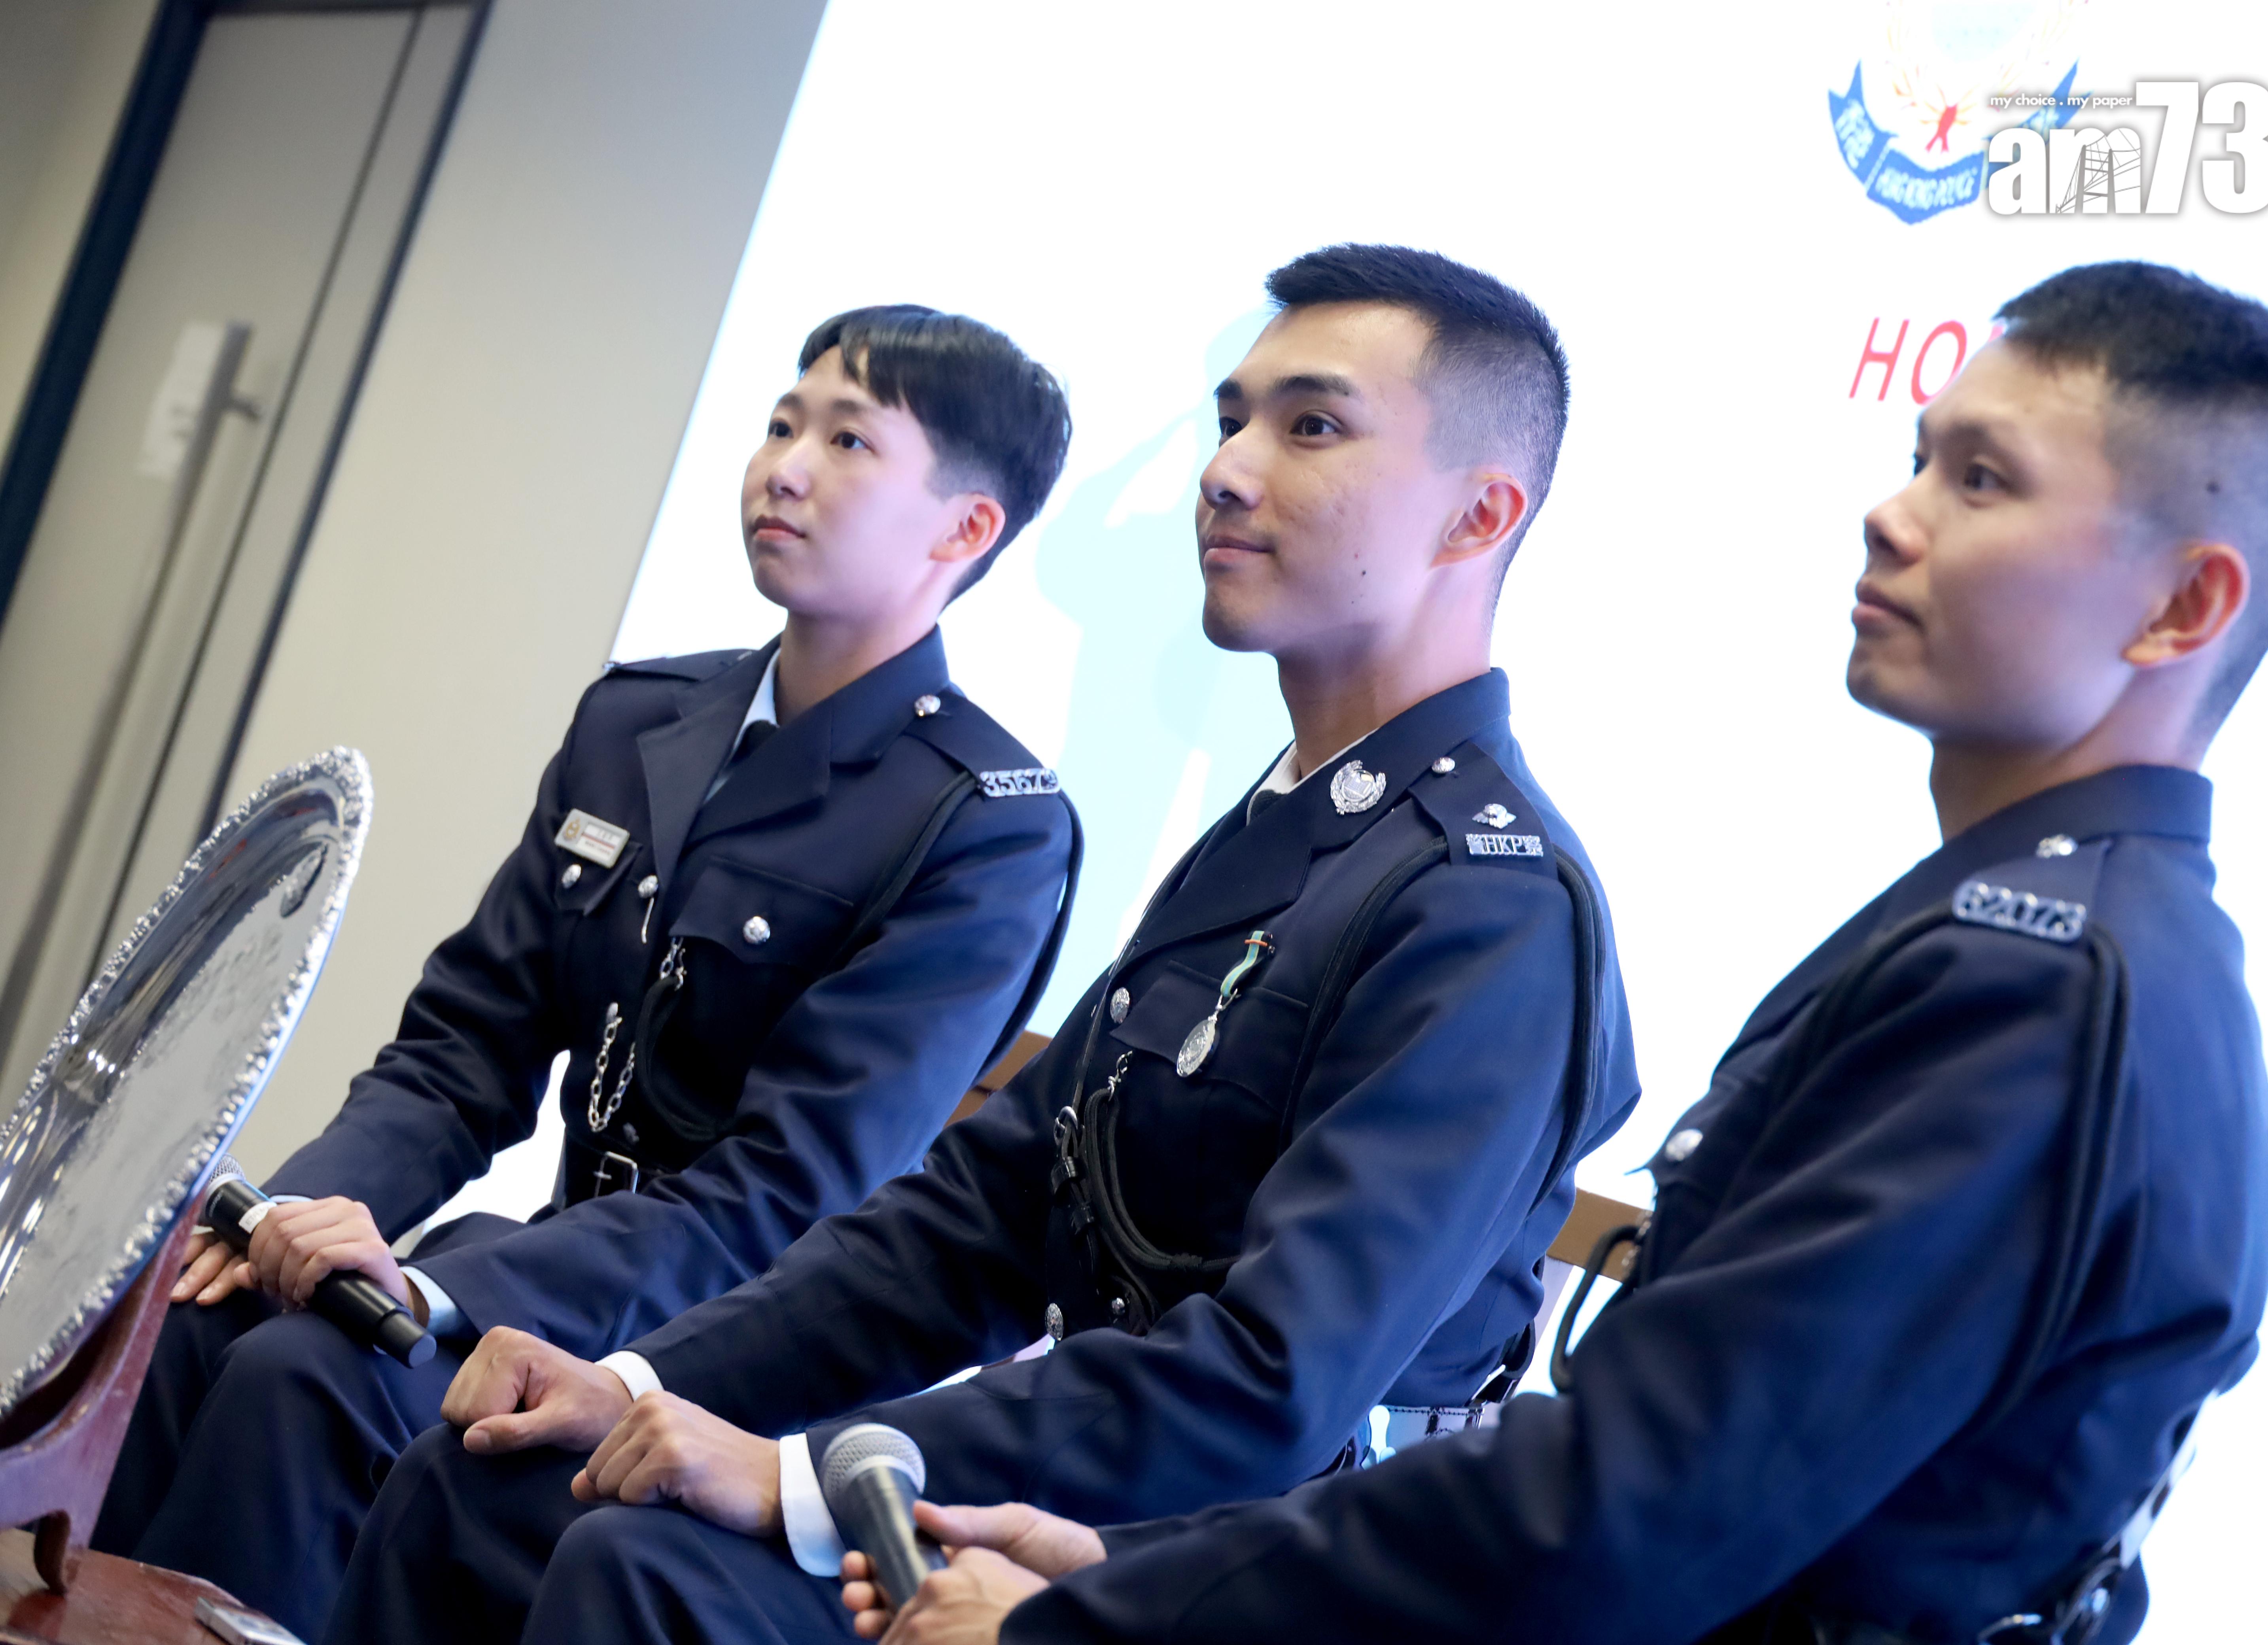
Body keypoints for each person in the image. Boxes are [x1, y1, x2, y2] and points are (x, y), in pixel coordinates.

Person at [840, 260, 2268, 1645]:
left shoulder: (2033, 985)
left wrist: (1083, 1627)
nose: (1893, 514)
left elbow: (1622, 1516)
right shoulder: (2058, 937)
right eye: (1921, 458)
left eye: (1984, 480)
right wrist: (1132, 1573)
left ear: (2183, 606)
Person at [320, 243, 1641, 1645]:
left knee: (647, 1570)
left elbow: (1267, 1384)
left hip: (1239, 1579)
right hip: (1090, 1501)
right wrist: (642, 1386)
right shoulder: (1284, 834)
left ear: (1478, 515)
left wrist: (796, 1474)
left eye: (1309, 426)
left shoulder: (1490, 909)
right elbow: (969, 1228)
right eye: (1230, 421)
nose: (1227, 471)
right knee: (490, 1485)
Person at [94, 304, 1082, 1640]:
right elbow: (462, 1051)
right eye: (781, 424)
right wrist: (299, 1217)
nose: (784, 468)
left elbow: (782, 1196)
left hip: (706, 1358)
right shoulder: (640, 720)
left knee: (308, 1375)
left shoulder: (984, 823)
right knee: (194, 1315)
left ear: (966, 530)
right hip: (534, 1284)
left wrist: (439, 1292)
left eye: (849, 442)